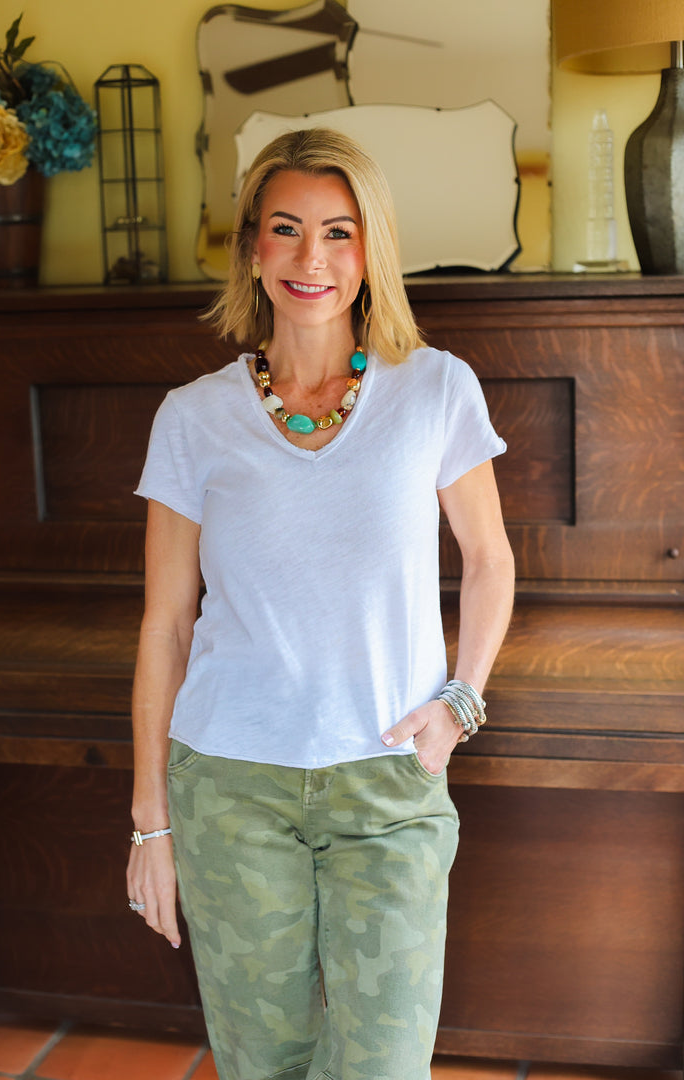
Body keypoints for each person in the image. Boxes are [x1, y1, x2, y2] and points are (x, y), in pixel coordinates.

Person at [126, 127, 515, 1080]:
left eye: (339, 233)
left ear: (370, 248)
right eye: (287, 229)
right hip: (229, 787)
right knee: (264, 1065)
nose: (312, 258)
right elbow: (166, 625)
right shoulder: (191, 416)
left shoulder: (436, 390)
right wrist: (150, 823)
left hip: (388, 786)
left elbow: (491, 559)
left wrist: (459, 704)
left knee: (382, 1067)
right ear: (252, 249)